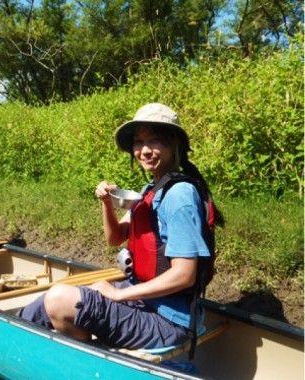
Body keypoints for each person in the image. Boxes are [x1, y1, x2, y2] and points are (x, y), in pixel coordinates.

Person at [18, 103, 222, 356]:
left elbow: (184, 276)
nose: (144, 150)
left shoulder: (179, 195)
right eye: (138, 142)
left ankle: (85, 361)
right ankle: (15, 333)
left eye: (155, 141)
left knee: (60, 299)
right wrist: (107, 204)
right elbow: (115, 238)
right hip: (145, 300)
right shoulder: (151, 190)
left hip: (170, 321)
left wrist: (117, 295)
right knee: (47, 302)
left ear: (174, 144)